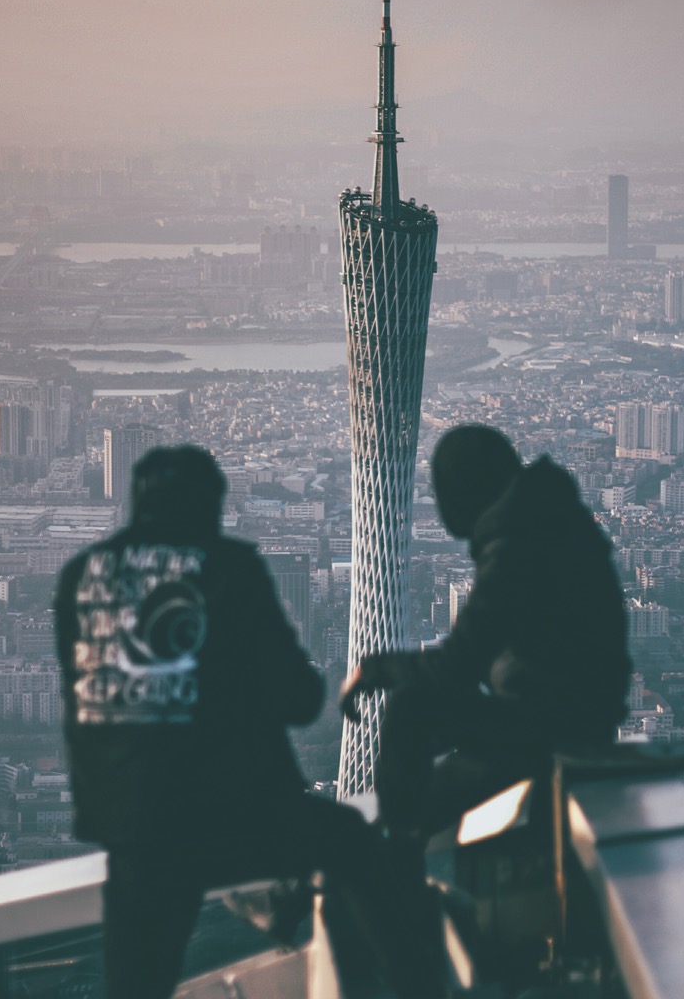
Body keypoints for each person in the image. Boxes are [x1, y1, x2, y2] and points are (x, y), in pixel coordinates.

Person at [55, 444, 445, 999]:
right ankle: (413, 987)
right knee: (352, 843)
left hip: (130, 828)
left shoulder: (81, 576)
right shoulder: (228, 566)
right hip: (226, 816)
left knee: (137, 982)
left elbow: (86, 706)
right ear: (208, 507)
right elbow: (299, 699)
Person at [341, 425, 632, 845]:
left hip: (552, 728)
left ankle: (395, 859)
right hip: (576, 716)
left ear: (465, 490)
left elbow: (457, 664)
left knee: (412, 708)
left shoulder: (519, 546)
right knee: (431, 744)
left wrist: (374, 670)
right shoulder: (550, 521)